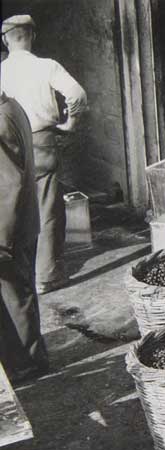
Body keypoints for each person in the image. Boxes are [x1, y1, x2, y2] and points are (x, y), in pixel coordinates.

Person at [1, 14, 88, 294]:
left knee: (11, 206)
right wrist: (71, 124)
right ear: (33, 36)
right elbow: (77, 95)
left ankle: (14, 275)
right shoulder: (47, 66)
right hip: (41, 141)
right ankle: (46, 277)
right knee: (47, 207)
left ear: (5, 40)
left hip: (6, 145)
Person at [0, 86, 50, 382]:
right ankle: (30, 357)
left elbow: (8, 184)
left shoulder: (2, 117)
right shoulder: (13, 105)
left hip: (10, 228)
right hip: (23, 222)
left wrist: (2, 240)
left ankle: (28, 363)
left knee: (16, 299)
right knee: (21, 294)